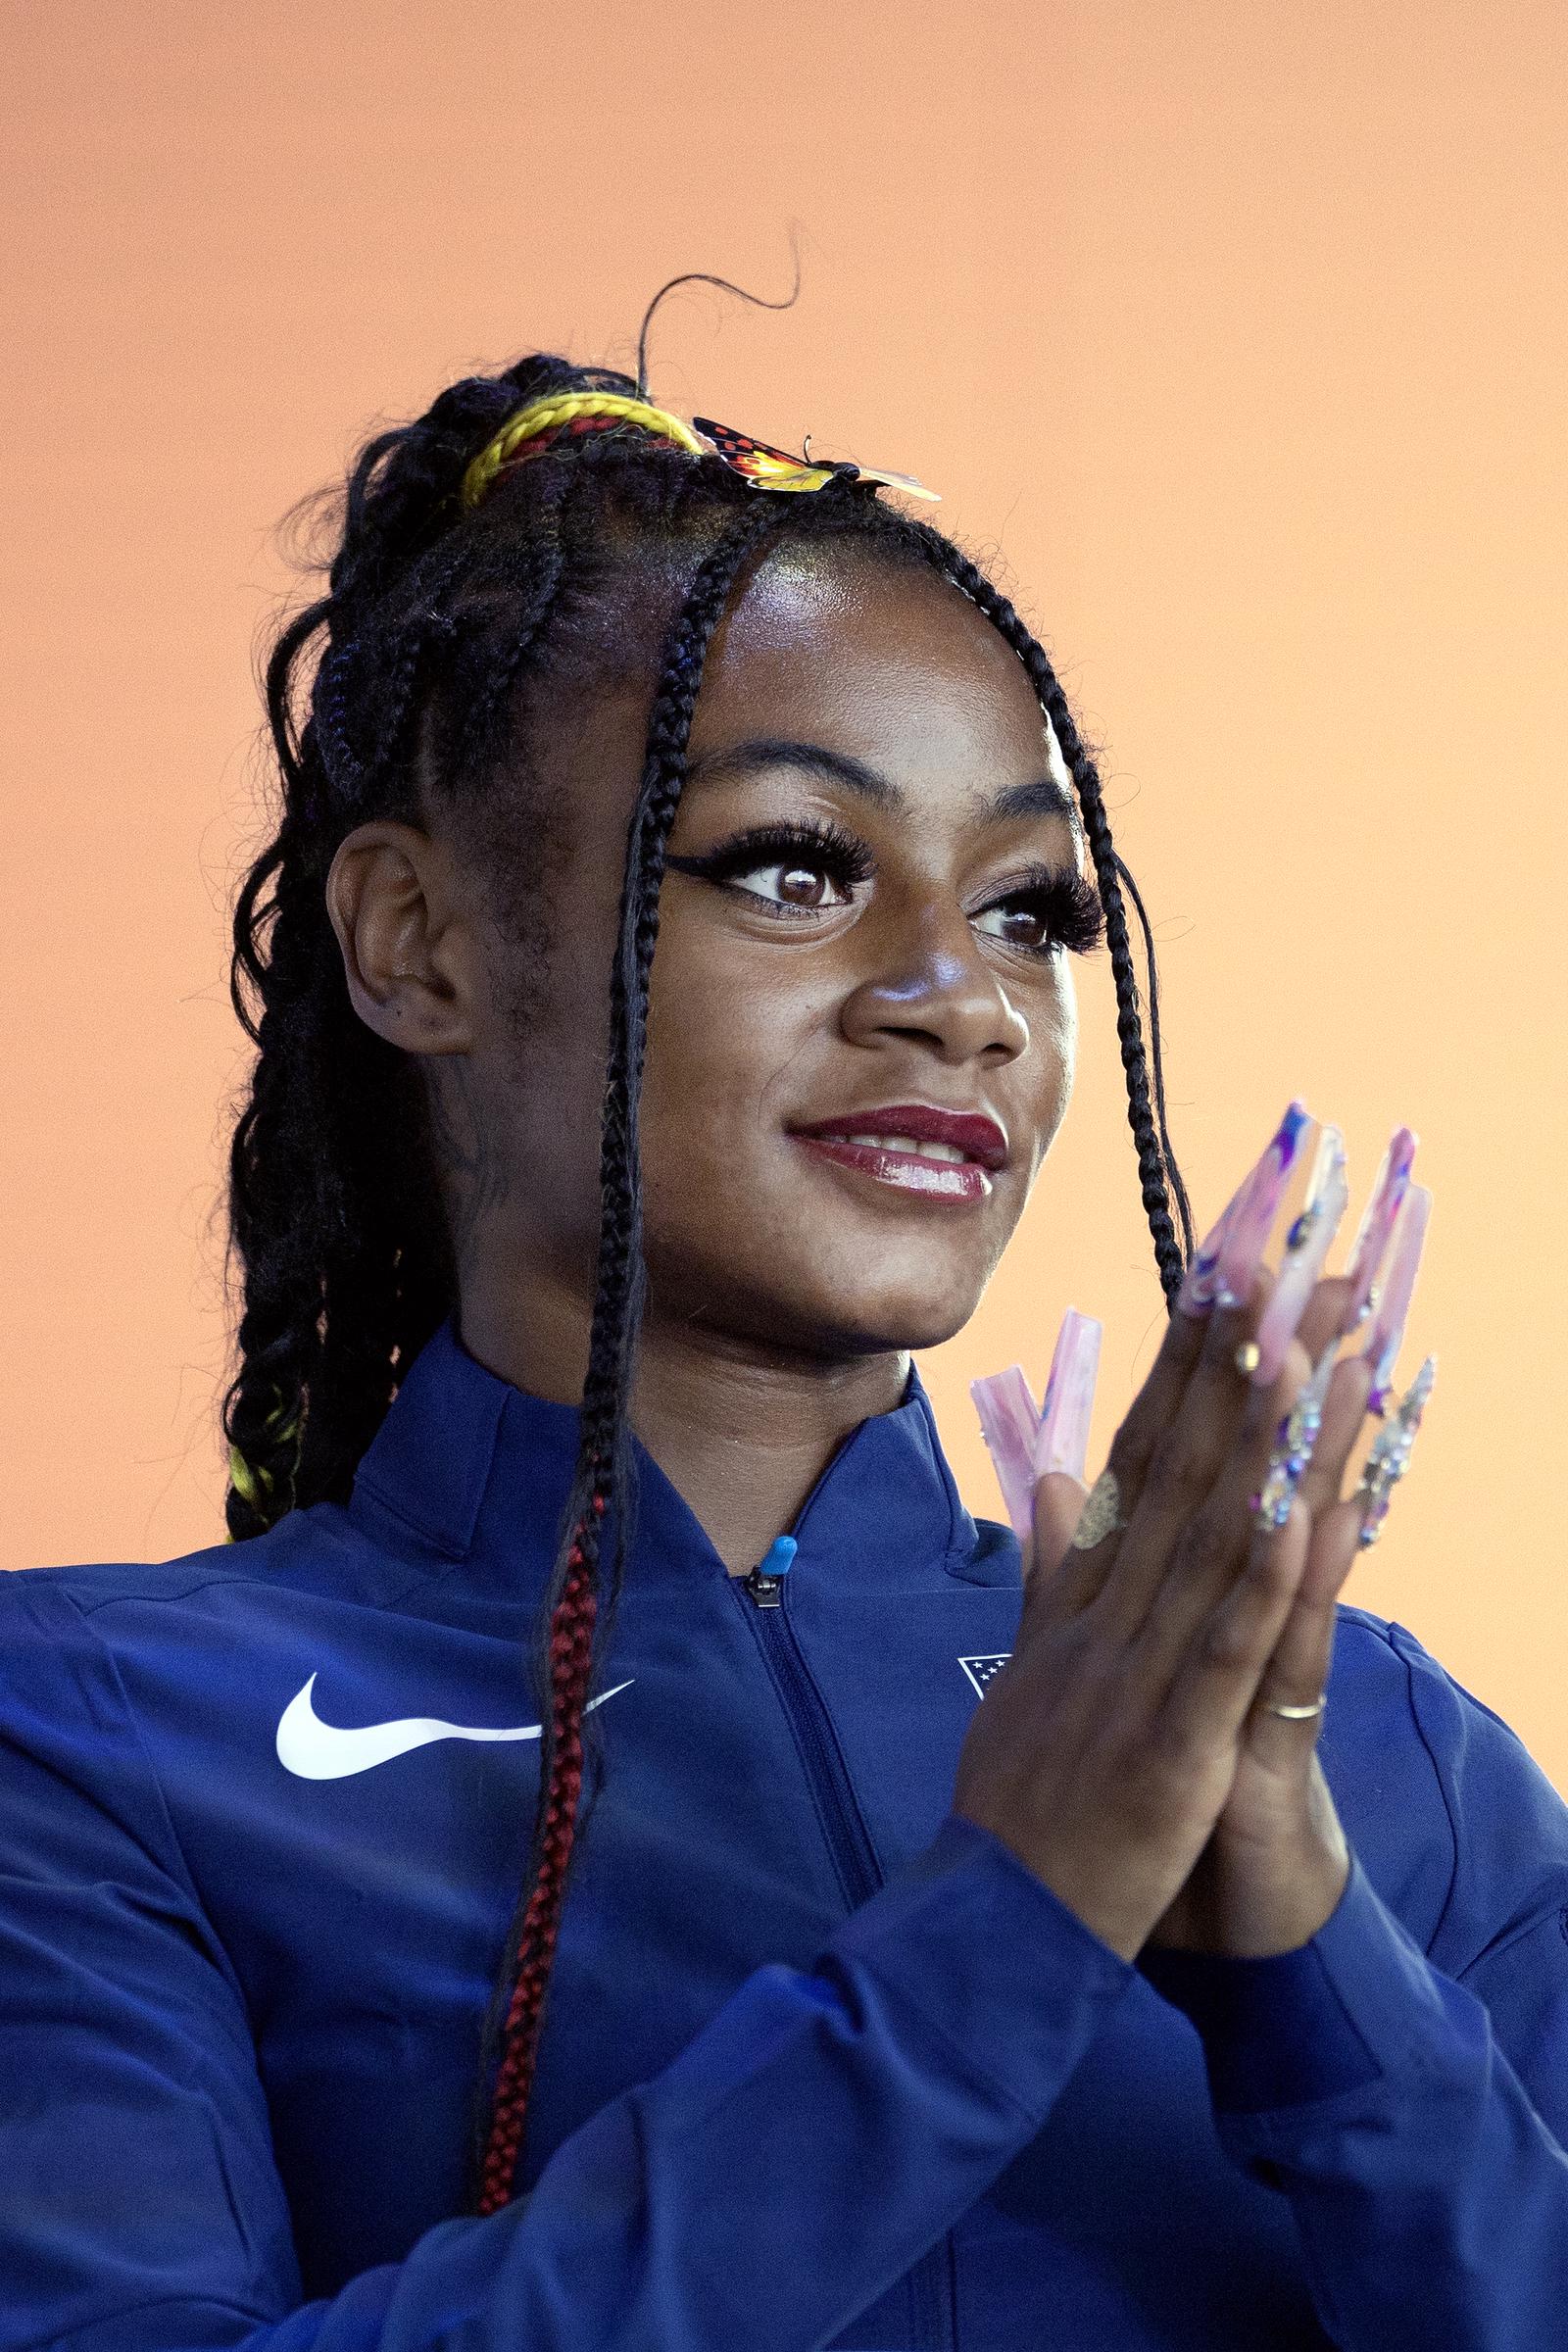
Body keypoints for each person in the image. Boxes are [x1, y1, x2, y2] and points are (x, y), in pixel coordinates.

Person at [4, 307, 1566, 2352]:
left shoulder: (1381, 1752)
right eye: (797, 866)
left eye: (1032, 910)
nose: (965, 996)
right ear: (416, 939)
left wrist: (1298, 1929)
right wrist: (1006, 1921)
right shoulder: (90, 1736)